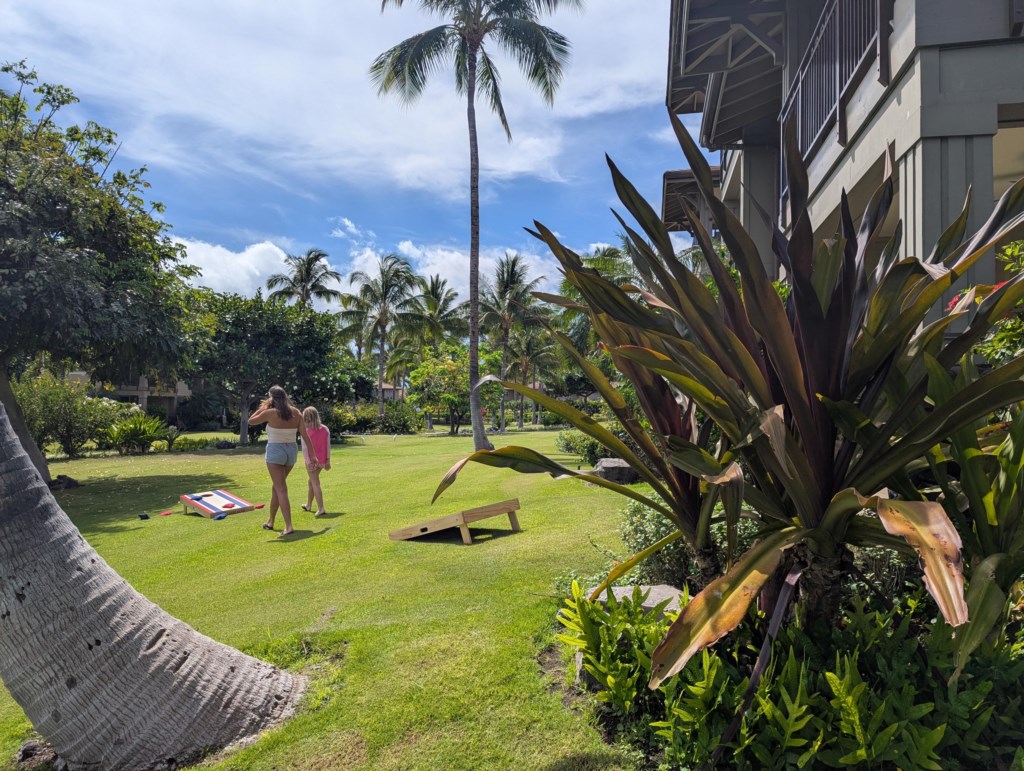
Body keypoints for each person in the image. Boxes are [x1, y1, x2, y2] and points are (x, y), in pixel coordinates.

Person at [248, 385, 310, 537]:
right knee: (277, 487)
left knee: (281, 489)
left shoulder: (270, 412)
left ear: (272, 397)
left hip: (276, 450)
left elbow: (251, 421)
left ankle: (289, 526)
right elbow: (305, 435)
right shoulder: (296, 412)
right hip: (291, 451)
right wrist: (313, 456)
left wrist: (263, 406)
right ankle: (271, 521)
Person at [299, 406, 331, 517]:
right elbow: (328, 446)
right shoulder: (325, 429)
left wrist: (308, 462)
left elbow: (305, 449)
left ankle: (321, 508)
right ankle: (308, 505)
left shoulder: (305, 431)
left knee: (315, 483)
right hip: (322, 461)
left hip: (311, 461)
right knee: (311, 482)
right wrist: (328, 460)